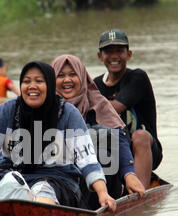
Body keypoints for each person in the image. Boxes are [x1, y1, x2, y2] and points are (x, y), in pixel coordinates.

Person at [0, 61, 116, 211]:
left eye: (39, 81)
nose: (32, 86)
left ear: (50, 85)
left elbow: (87, 158)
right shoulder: (8, 110)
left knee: (43, 198)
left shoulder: (68, 113)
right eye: (27, 81)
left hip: (58, 179)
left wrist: (102, 193)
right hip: (13, 174)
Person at [51, 54, 145, 201]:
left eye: (73, 74)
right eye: (60, 75)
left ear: (82, 77)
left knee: (101, 144)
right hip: (62, 179)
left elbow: (118, 137)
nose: (67, 80)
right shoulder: (46, 108)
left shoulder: (97, 104)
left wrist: (129, 174)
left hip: (102, 181)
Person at [94, 29, 163, 191]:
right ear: (100, 56)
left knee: (139, 136)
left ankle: (139, 192)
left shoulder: (137, 78)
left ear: (129, 54)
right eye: (108, 52)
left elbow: (114, 109)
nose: (114, 56)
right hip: (115, 149)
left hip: (146, 148)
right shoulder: (96, 85)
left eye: (119, 51)